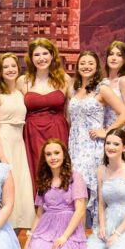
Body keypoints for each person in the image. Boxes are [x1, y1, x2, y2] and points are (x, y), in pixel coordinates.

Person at [68, 51, 125, 228]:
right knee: (76, 188)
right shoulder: (73, 89)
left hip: (92, 145)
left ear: (96, 67)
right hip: (75, 144)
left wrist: (107, 132)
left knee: (89, 185)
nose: (86, 66)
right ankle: (79, 231)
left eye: (90, 63)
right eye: (82, 63)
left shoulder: (102, 89)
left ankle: (94, 229)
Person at [25, 140, 91, 249]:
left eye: (56, 153)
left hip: (68, 228)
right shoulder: (44, 179)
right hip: (46, 228)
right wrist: (29, 240)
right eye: (48, 154)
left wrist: (64, 237)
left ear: (64, 155)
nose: (53, 157)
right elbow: (39, 215)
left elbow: (80, 210)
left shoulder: (75, 177)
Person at [0, 52, 35, 231]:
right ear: (0, 71)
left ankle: (19, 229)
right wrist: (2, 156)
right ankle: (4, 229)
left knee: (22, 185)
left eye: (13, 66)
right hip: (4, 140)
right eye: (5, 67)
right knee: (8, 184)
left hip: (19, 143)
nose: (10, 70)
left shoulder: (20, 93)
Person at [22, 38, 72, 184]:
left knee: (59, 171)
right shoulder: (22, 81)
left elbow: (71, 111)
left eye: (45, 53)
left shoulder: (65, 79)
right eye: (37, 55)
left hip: (58, 130)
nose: (41, 58)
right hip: (32, 134)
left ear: (52, 55)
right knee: (36, 170)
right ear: (31, 58)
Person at [103, 41, 125, 144]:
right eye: (111, 54)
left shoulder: (123, 81)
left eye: (119, 55)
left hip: (119, 136)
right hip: (102, 136)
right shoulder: (103, 82)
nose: (114, 58)